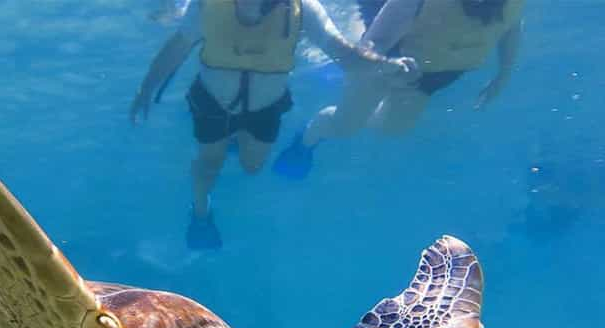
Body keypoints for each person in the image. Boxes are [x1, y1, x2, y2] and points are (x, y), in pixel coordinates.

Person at [130, 0, 417, 250]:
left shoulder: (303, 8)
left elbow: (345, 55)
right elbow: (176, 48)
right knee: (209, 163)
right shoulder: (206, 4)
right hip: (212, 104)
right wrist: (146, 89)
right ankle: (201, 215)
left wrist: (384, 66)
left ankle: (248, 141)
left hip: (265, 109)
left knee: (252, 166)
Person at [273, 0, 525, 179]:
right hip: (387, 60)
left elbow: (512, 27)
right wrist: (381, 67)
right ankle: (305, 141)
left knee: (394, 128)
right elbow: (377, 41)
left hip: (429, 76)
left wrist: (503, 74)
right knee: (346, 126)